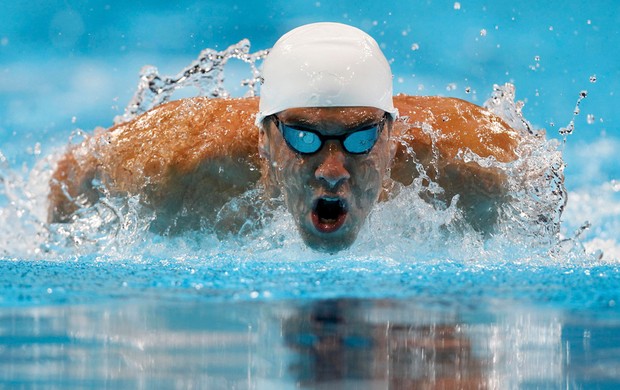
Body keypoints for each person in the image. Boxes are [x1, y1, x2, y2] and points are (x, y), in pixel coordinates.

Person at [48, 22, 520, 253]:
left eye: (358, 140)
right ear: (264, 138)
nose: (333, 171)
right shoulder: (175, 159)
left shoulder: (471, 160)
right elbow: (72, 175)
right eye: (304, 138)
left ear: (391, 137)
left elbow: (537, 175)